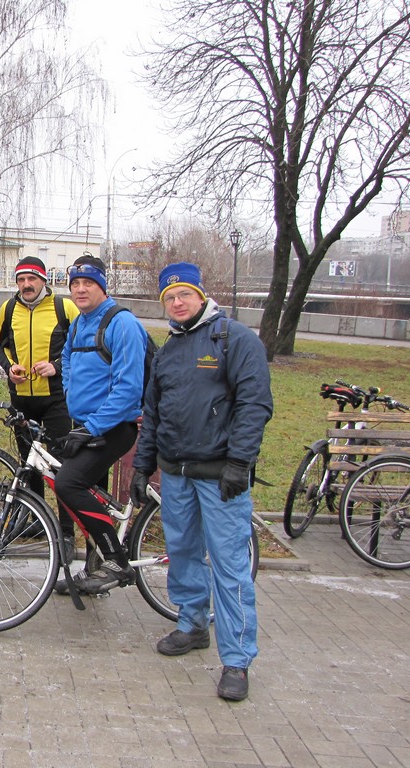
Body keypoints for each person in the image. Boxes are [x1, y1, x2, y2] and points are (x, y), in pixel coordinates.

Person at [131, 263, 272, 702]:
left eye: (184, 295)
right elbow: (153, 411)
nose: (177, 303)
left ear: (201, 295)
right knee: (183, 554)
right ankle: (193, 624)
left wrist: (239, 463)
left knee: (229, 567)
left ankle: (237, 660)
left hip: (220, 477)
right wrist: (143, 465)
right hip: (176, 474)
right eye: (169, 298)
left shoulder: (235, 340)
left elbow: (254, 404)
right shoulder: (169, 350)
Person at [53, 254, 148, 596]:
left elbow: (128, 390)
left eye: (88, 283)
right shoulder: (80, 322)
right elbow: (66, 357)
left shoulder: (122, 324)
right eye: (75, 284)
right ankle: (94, 573)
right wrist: (69, 392)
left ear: (102, 287)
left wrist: (91, 427)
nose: (80, 289)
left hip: (113, 428)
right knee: (89, 496)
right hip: (87, 425)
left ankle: (117, 562)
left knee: (68, 483)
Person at [0, 255, 78, 496]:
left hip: (56, 399)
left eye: (32, 278)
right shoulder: (9, 309)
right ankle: (35, 514)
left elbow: (81, 348)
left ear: (43, 280)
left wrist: (56, 366)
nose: (26, 284)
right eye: (21, 279)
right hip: (21, 400)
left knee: (60, 465)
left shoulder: (64, 308)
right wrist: (10, 368)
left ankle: (65, 519)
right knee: (29, 465)